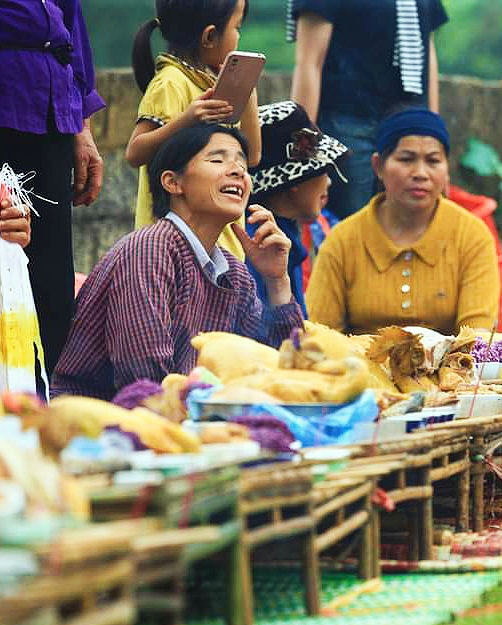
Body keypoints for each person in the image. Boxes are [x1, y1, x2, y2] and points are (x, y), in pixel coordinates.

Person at [52, 125, 303, 400]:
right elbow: (145, 380)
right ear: (173, 182)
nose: (238, 171)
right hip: (102, 425)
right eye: (218, 159)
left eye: (242, 163)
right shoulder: (149, 250)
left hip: (183, 416)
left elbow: (278, 370)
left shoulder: (235, 274)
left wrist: (277, 281)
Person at [0, 0, 105, 377]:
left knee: (49, 288)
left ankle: (40, 411)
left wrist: (81, 127)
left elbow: (71, 24)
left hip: (51, 111)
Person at [306, 108, 498, 335]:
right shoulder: (342, 241)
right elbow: (322, 336)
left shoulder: (471, 235)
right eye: (406, 159)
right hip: (358, 368)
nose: (420, 173)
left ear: (446, 170)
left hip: (452, 369)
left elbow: (476, 337)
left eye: (433, 161)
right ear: (378, 166)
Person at [126, 0, 260, 260]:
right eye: (237, 27)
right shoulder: (171, 83)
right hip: (175, 251)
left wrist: (248, 96)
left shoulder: (214, 85)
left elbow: (252, 157)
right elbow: (135, 152)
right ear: (210, 36)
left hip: (222, 250)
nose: (239, 37)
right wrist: (186, 119)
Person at [289, 0, 448, 220]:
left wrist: (434, 136)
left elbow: (426, 50)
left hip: (408, 128)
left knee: (412, 226)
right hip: (347, 124)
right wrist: (302, 150)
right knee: (350, 225)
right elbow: (309, 63)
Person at [245, 100, 349, 314]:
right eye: (322, 172)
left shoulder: (282, 232)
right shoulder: (258, 243)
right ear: (294, 183)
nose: (328, 182)